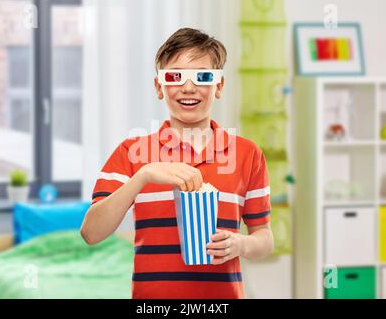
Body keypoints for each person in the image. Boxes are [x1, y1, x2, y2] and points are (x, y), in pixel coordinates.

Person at [80, 27, 274, 299]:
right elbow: (91, 232)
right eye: (175, 77)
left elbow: (264, 238)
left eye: (202, 77)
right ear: (159, 87)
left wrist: (241, 244)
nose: (188, 87)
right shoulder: (131, 152)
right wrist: (143, 176)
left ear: (218, 86)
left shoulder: (247, 154)